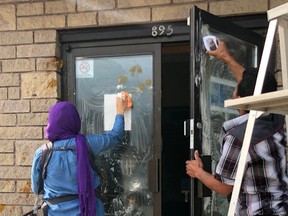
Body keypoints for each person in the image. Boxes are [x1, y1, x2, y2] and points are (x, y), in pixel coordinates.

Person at [186, 38, 288, 215]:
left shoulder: (239, 138)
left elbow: (225, 188)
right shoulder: (276, 118)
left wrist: (197, 172)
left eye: (236, 89)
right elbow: (257, 90)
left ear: (240, 99)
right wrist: (226, 57)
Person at [31, 93, 128, 216]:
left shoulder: (42, 153)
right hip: (89, 211)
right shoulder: (87, 144)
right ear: (75, 121)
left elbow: (36, 189)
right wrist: (120, 109)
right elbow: (115, 136)